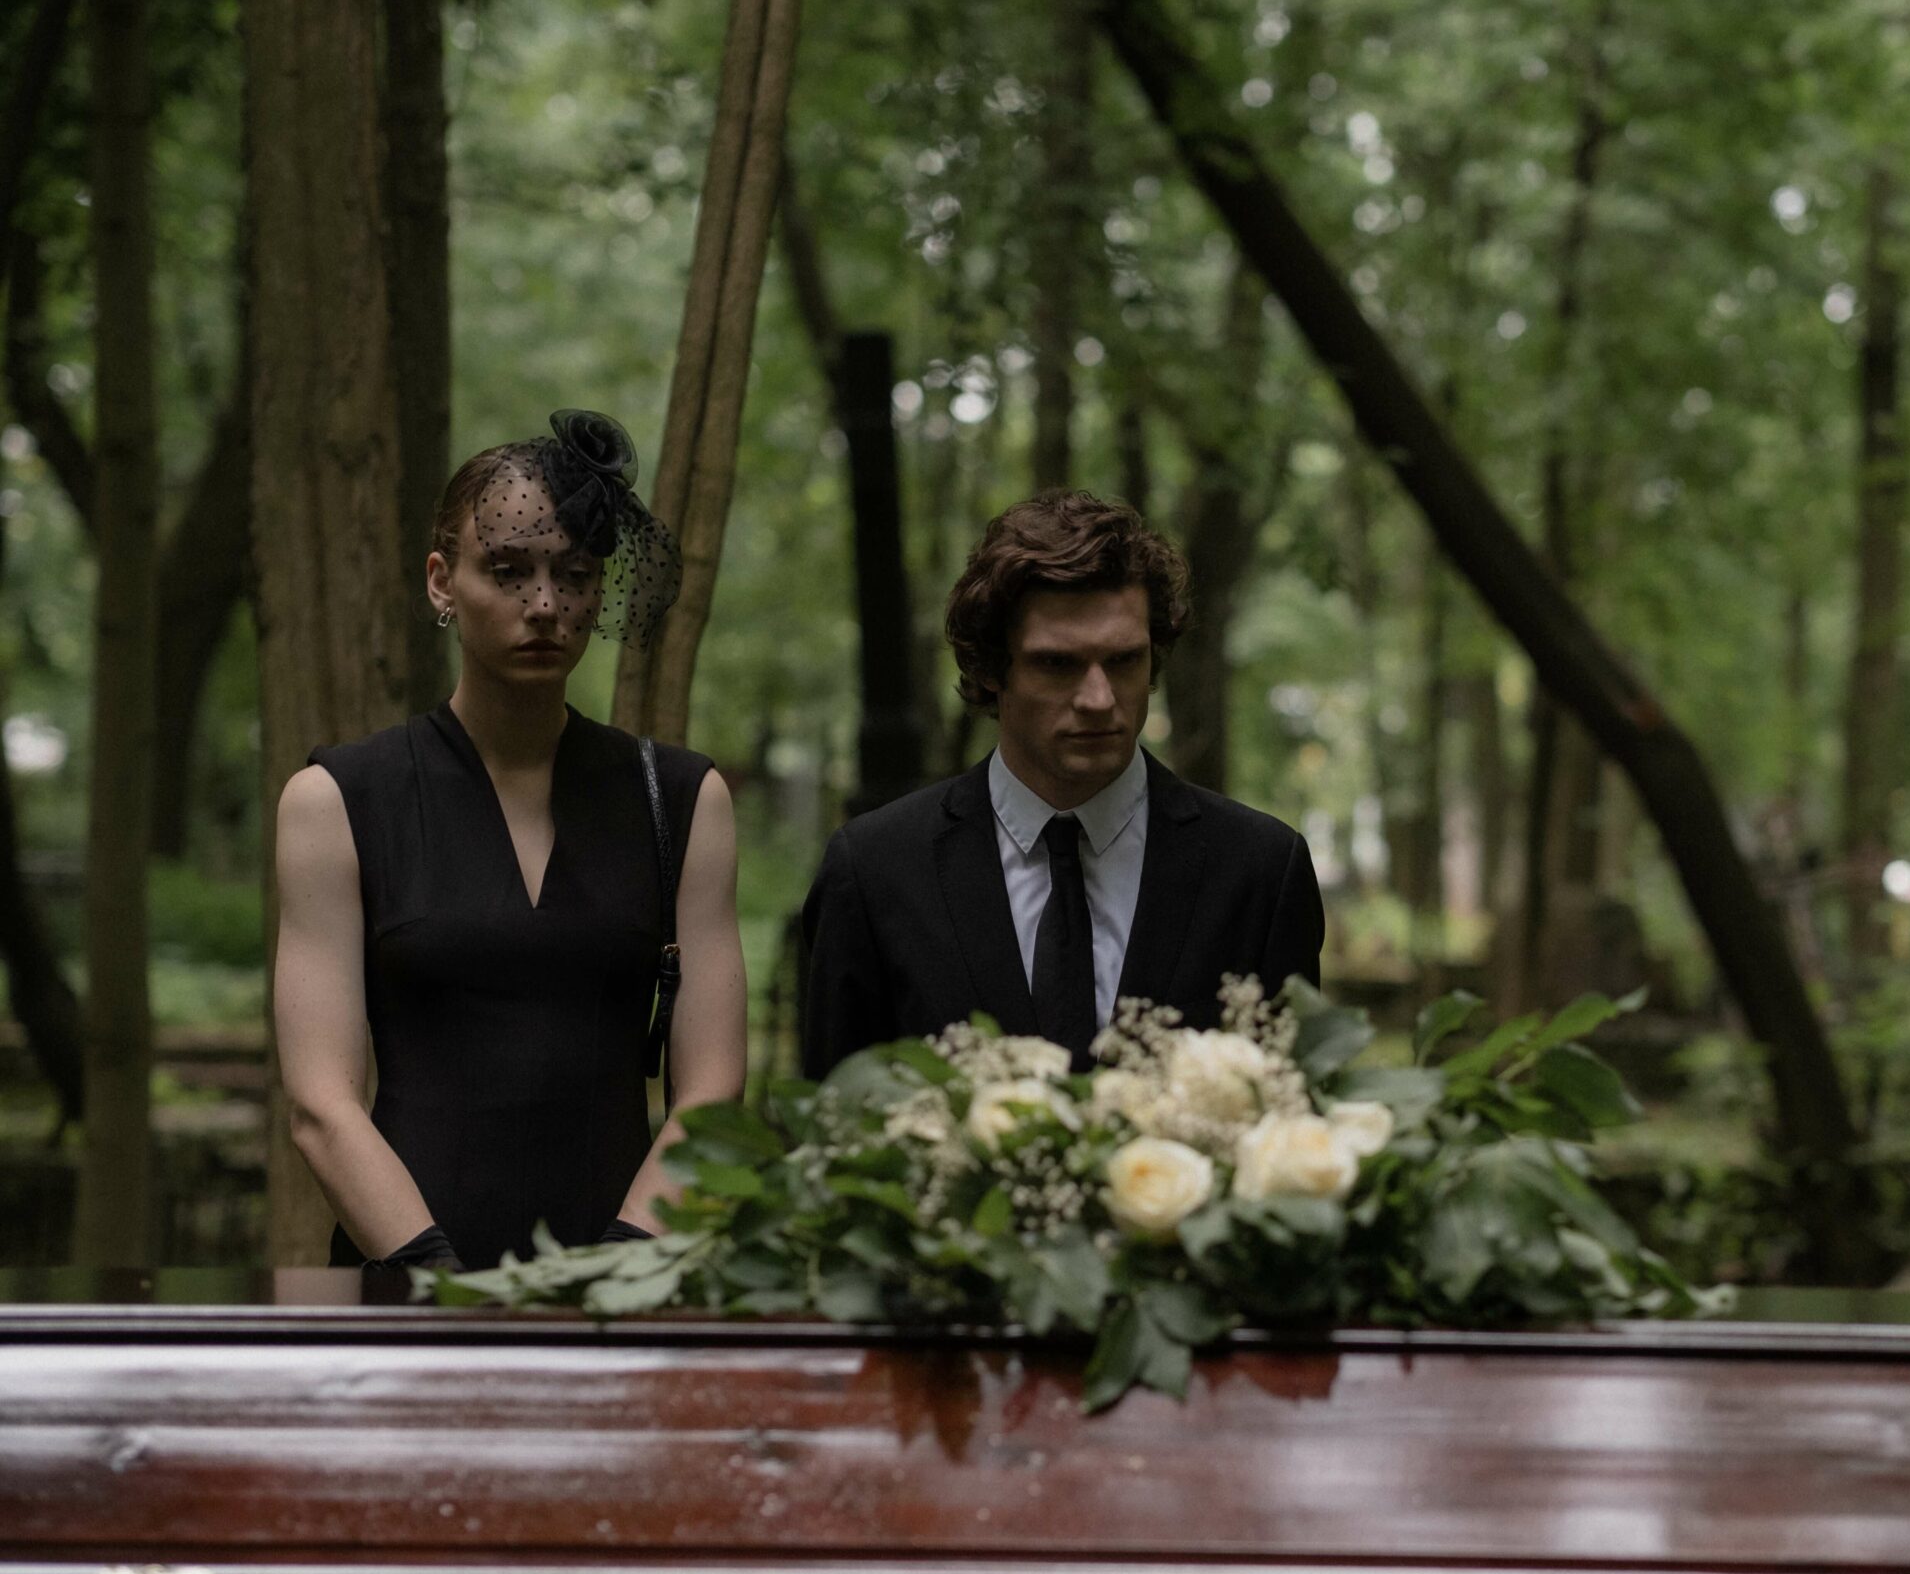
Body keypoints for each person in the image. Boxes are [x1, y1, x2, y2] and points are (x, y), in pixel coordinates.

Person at [273, 411, 746, 1272]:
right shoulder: (337, 800)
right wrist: (441, 1288)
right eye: (508, 569)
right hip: (404, 1289)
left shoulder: (681, 800)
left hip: (628, 1290)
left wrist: (617, 1278)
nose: (543, 605)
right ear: (440, 582)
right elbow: (319, 1103)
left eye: (572, 574)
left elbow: (711, 1094)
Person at [799, 490, 1324, 1077]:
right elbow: (830, 1131)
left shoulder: (1259, 872)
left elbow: (1292, 1123)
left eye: (1124, 661)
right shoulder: (875, 872)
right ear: (990, 668)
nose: (1099, 700)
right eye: (1057, 664)